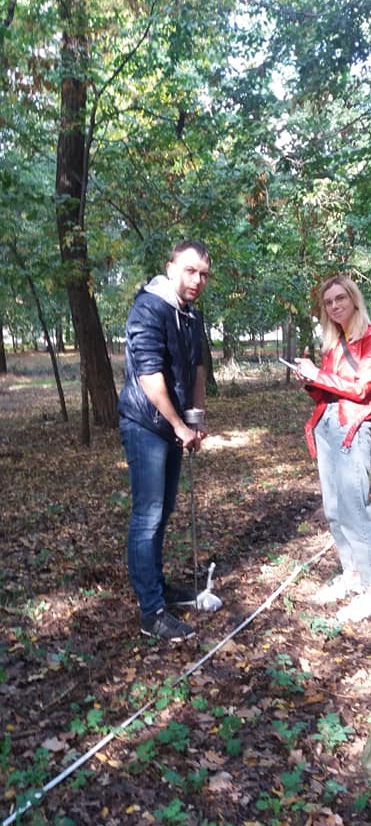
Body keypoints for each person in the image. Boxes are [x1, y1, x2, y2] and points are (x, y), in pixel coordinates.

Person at [118, 240, 211, 643]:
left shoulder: (190, 316)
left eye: (204, 274)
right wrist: (178, 425)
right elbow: (149, 375)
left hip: (172, 426)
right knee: (148, 514)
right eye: (190, 270)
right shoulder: (148, 308)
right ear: (171, 267)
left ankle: (158, 586)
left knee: (164, 509)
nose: (197, 280)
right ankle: (151, 611)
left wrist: (196, 420)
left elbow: (198, 370)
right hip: (145, 424)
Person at [294, 274, 371, 623]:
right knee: (334, 509)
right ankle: (352, 575)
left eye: (340, 298)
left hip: (352, 427)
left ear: (353, 299)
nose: (334, 306)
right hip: (326, 424)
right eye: (328, 302)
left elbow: (361, 388)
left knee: (354, 510)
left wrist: (318, 376)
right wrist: (310, 381)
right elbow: (327, 391)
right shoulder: (333, 342)